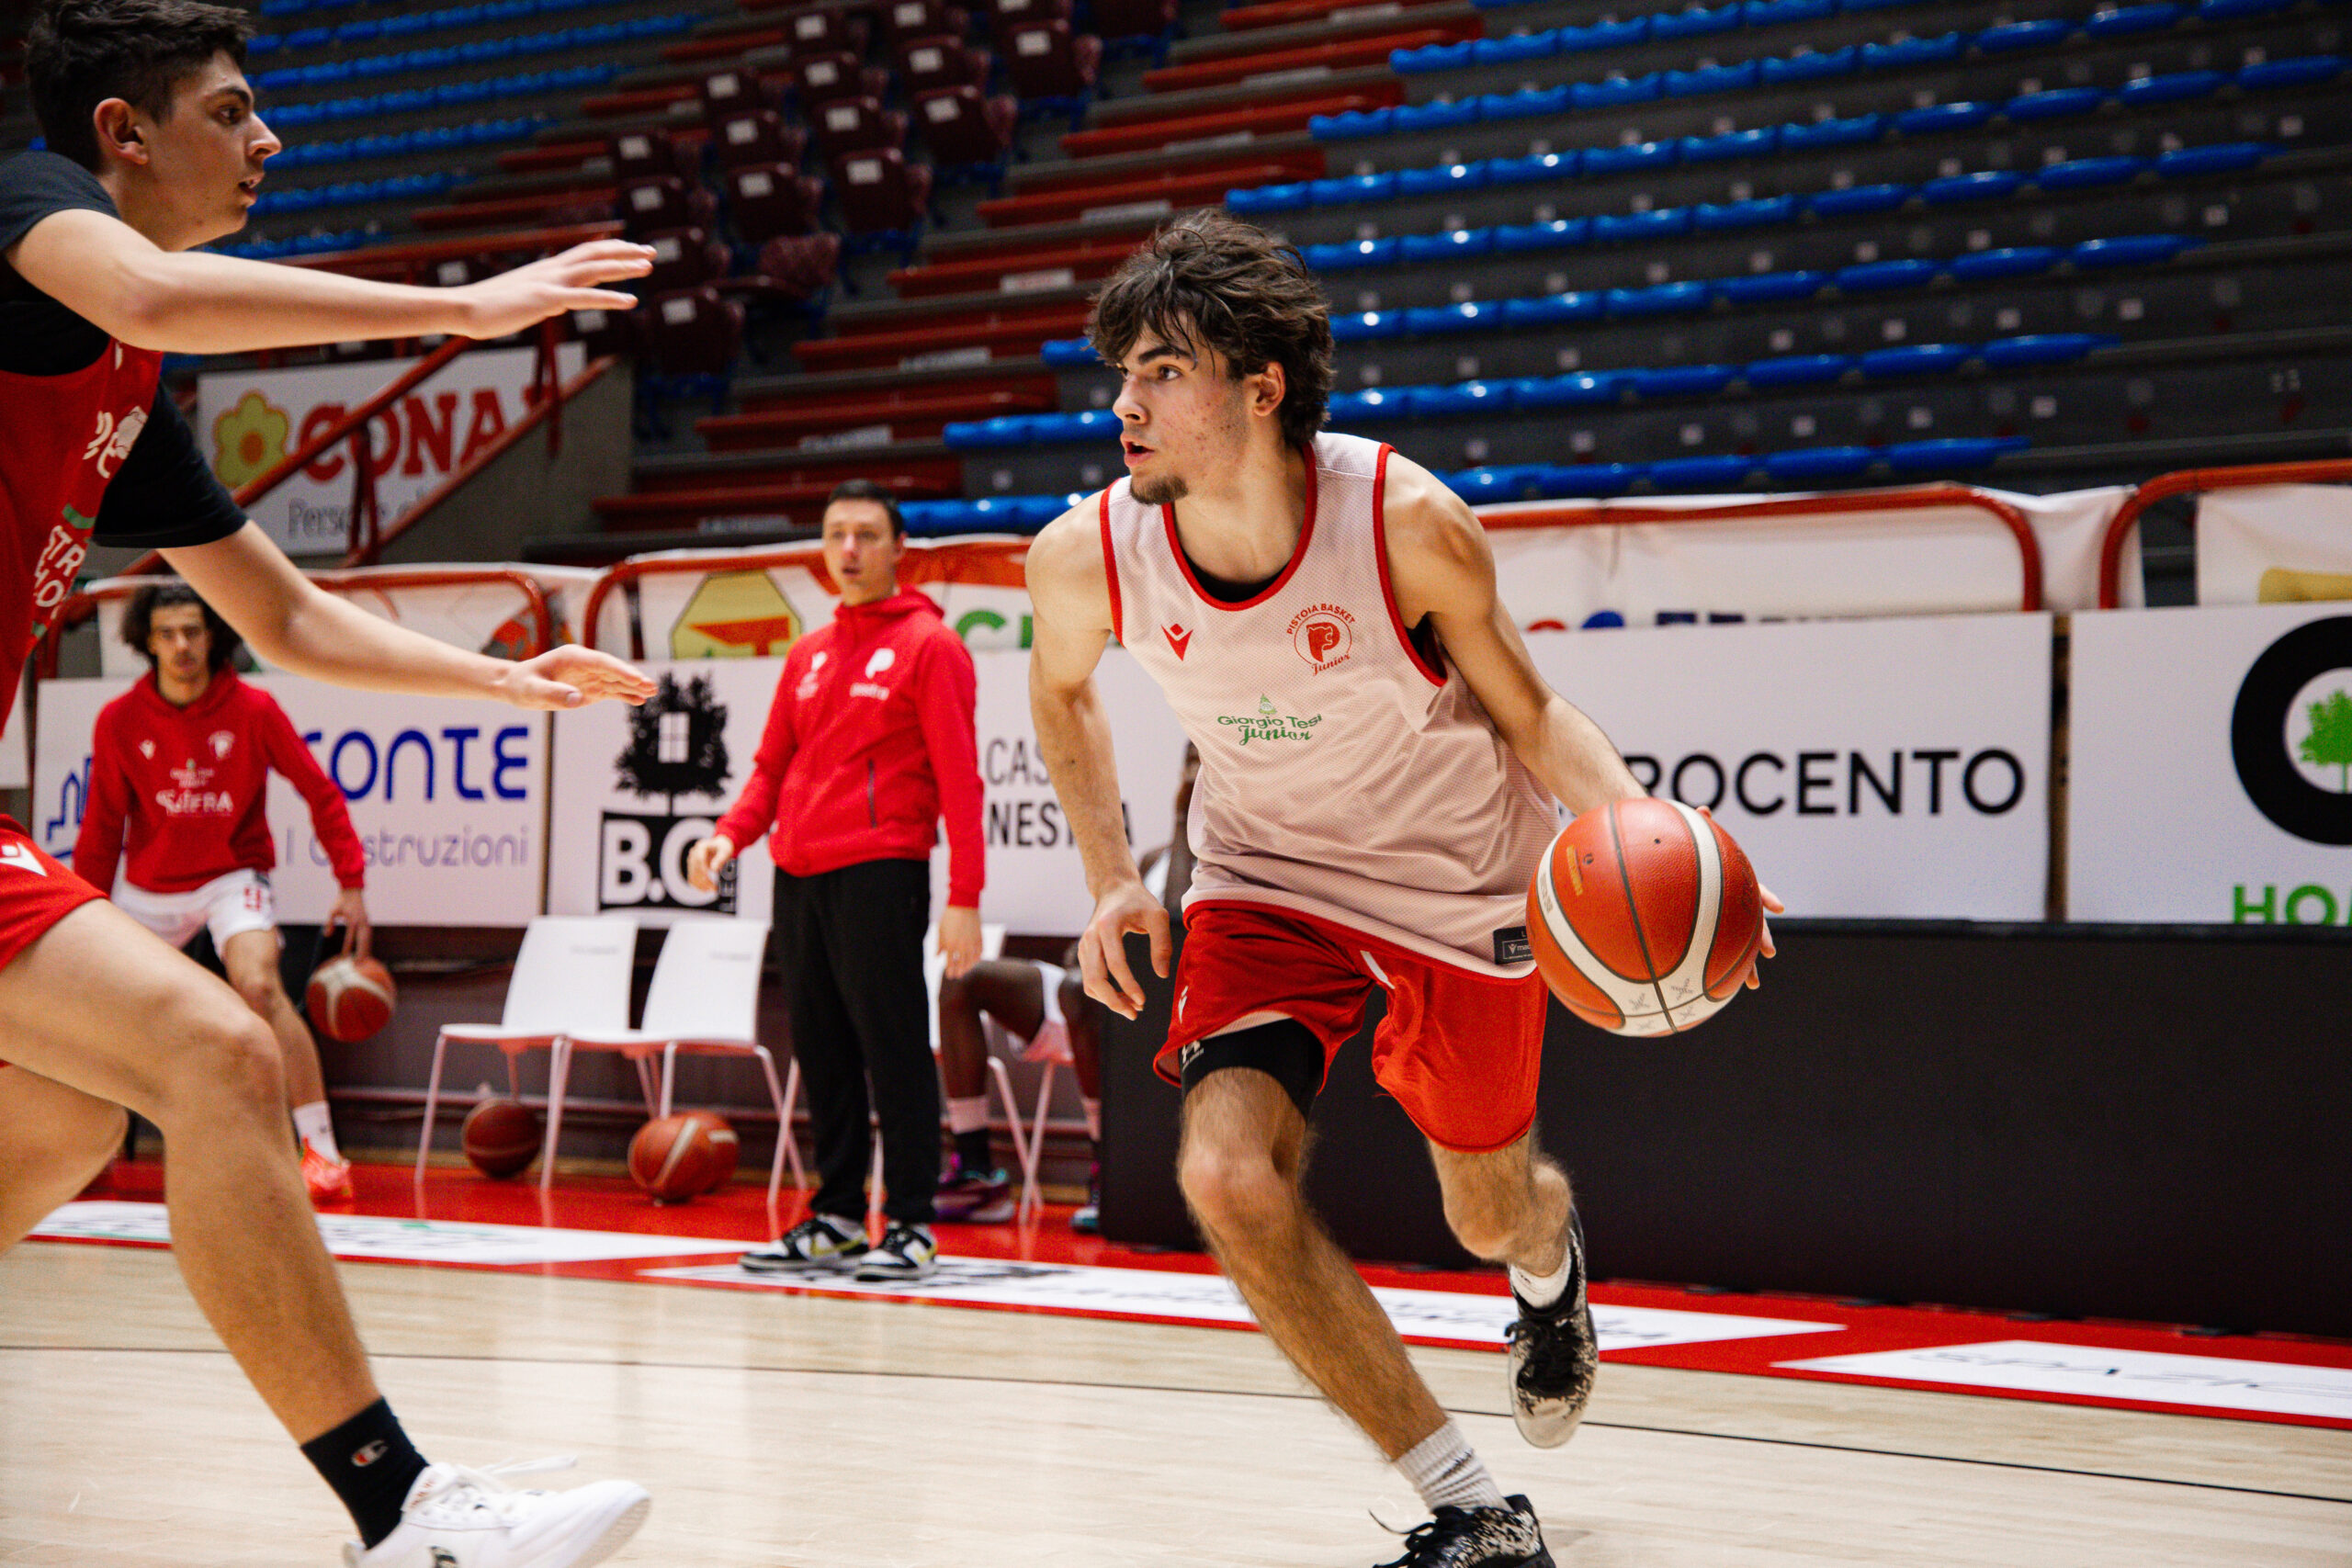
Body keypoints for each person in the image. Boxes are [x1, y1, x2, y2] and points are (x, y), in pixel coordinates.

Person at [0, 2, 663, 1562]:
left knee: (66, 1115)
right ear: (122, 135)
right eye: (232, 112)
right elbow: (156, 278)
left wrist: (499, 674)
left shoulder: (123, 385)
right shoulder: (25, 206)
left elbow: (287, 618)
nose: (269, 140)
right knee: (215, 1052)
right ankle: (412, 1513)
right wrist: (468, 309)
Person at [1025, 212, 1780, 1567]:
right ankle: (1471, 1505)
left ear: (1259, 387)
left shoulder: (1407, 522)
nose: (1123, 403)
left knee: (1487, 1204)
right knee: (1225, 1174)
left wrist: (1663, 838)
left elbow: (1536, 714)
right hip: (1266, 884)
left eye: (1158, 371)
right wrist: (1107, 875)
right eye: (1120, 372)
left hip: (1458, 889)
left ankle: (1548, 1274)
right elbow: (1060, 688)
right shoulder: (1087, 552)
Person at [687, 479, 986, 1284]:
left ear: (898, 549)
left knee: (893, 1045)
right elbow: (769, 768)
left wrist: (965, 896)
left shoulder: (932, 647)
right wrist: (727, 836)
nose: (848, 550)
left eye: (864, 534)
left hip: (883, 868)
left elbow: (963, 782)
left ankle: (914, 1222)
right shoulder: (807, 655)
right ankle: (840, 1215)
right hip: (799, 871)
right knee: (820, 1048)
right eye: (834, 536)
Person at [74, 581, 374, 1203]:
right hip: (147, 886)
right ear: (146, 642)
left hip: (231, 878)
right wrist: (81, 907)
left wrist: (351, 882)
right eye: (168, 633)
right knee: (89, 1002)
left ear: (214, 636)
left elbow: (319, 792)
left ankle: (320, 1148)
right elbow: (102, 827)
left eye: (193, 630)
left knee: (261, 988)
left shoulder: (255, 710)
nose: (182, 645)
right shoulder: (120, 721)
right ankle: (81, 1145)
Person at [933, 743, 1197, 1228]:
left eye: (1205, 765)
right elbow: (1101, 936)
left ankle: (1106, 1165)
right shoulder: (1152, 857)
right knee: (964, 982)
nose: (1194, 775)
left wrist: (1186, 820)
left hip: (1162, 1023)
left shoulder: (1215, 864)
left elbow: (1179, 930)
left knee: (1083, 996)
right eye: (1189, 764)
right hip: (1097, 1006)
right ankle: (974, 1169)